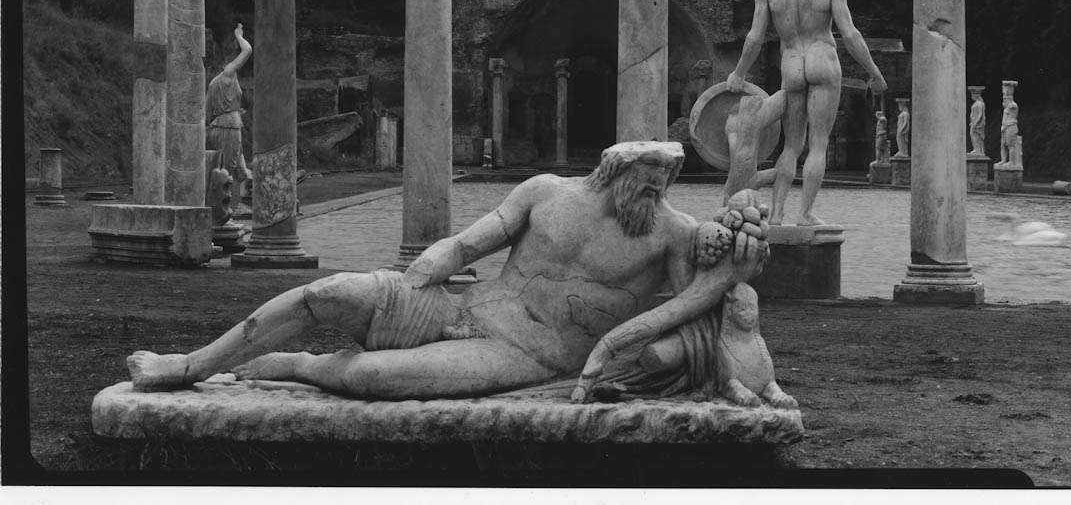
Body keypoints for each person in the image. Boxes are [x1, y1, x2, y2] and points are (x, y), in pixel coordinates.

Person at [127, 141, 768, 401]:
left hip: (525, 354)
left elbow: (694, 307)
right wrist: (437, 259)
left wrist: (729, 271)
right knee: (327, 291)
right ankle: (189, 366)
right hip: (464, 306)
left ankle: (298, 366)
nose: (658, 190)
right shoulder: (546, 192)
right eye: (649, 178)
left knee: (372, 378)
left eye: (666, 180)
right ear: (616, 171)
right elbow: (471, 241)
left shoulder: (674, 233)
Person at [727, 0, 886, 226]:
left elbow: (755, 38)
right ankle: (805, 214)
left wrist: (738, 73)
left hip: (792, 66)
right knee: (818, 144)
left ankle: (777, 214)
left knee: (791, 146)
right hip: (822, 62)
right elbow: (851, 35)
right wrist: (874, 72)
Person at [205, 24, 254, 204]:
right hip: (229, 127)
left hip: (218, 126)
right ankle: (228, 207)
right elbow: (247, 50)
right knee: (228, 168)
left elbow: (206, 113)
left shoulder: (212, 84)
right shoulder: (228, 74)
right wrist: (239, 36)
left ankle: (243, 196)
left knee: (237, 167)